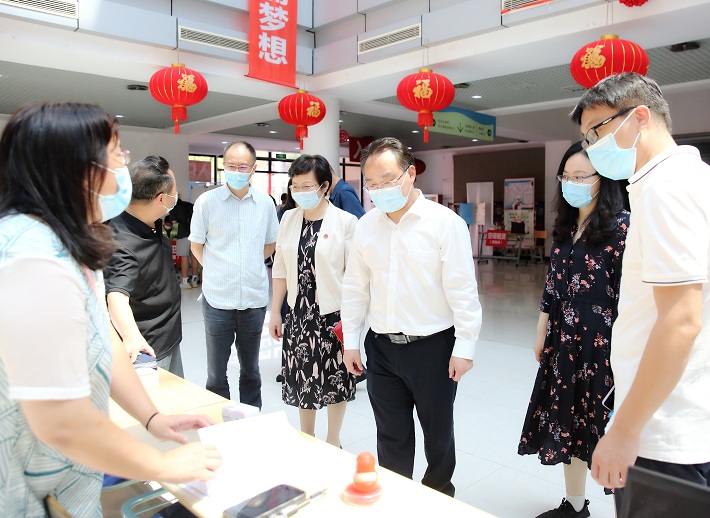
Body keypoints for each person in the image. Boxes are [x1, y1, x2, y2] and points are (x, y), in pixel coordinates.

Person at [0, 102, 220, 516]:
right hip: (28, 491)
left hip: (69, 477)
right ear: (77, 167)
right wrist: (163, 465)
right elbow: (61, 423)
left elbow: (104, 340)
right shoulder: (32, 258)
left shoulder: (73, 242)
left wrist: (152, 418)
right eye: (117, 153)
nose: (124, 165)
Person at [571, 72, 710, 513]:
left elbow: (681, 320)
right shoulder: (691, 176)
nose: (593, 147)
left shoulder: (665, 189)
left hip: (665, 429)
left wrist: (626, 430)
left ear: (640, 117)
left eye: (597, 132)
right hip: (678, 408)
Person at [341, 137, 483, 496]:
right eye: (372, 183)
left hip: (433, 348)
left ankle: (438, 496)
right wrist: (351, 342)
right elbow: (355, 288)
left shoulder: (444, 223)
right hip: (381, 347)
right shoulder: (366, 226)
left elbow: (463, 290)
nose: (380, 189)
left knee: (438, 432)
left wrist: (464, 347)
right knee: (390, 434)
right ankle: (396, 497)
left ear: (410, 174)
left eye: (388, 179)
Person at [517, 142, 629, 518]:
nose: (572, 184)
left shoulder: (623, 228)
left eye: (581, 177)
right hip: (564, 341)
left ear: (603, 179)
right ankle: (575, 505)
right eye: (566, 176)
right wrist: (541, 332)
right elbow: (552, 288)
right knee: (569, 423)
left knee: (608, 429)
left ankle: (629, 508)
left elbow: (631, 299)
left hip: (604, 346)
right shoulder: (566, 228)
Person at [268, 155, 357, 447]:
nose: (300, 192)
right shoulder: (289, 219)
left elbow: (355, 276)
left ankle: (333, 440)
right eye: (295, 186)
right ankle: (308, 438)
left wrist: (354, 322)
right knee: (302, 376)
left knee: (335, 378)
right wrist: (276, 312)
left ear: (324, 186)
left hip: (333, 314)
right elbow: (280, 269)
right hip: (299, 312)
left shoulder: (345, 222)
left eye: (307, 186)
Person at [190, 141, 279, 408]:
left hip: (253, 299)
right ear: (223, 166)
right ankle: (219, 419)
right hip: (218, 300)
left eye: (242, 167)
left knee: (251, 371)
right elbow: (196, 245)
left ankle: (251, 417)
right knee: (216, 373)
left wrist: (250, 262)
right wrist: (217, 268)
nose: (237, 171)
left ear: (253, 168)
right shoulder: (206, 202)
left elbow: (271, 242)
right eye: (231, 166)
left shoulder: (264, 203)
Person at [104, 155, 184, 375]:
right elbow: (116, 296)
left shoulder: (148, 223)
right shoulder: (123, 243)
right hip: (149, 349)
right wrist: (131, 336)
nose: (176, 195)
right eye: (174, 191)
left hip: (169, 336)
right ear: (161, 199)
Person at [168, 195, 200, 289]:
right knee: (194, 257)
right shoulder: (190, 205)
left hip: (183, 235)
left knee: (184, 258)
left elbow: (173, 222)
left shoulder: (174, 208)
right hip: (195, 235)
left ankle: (185, 281)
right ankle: (194, 280)